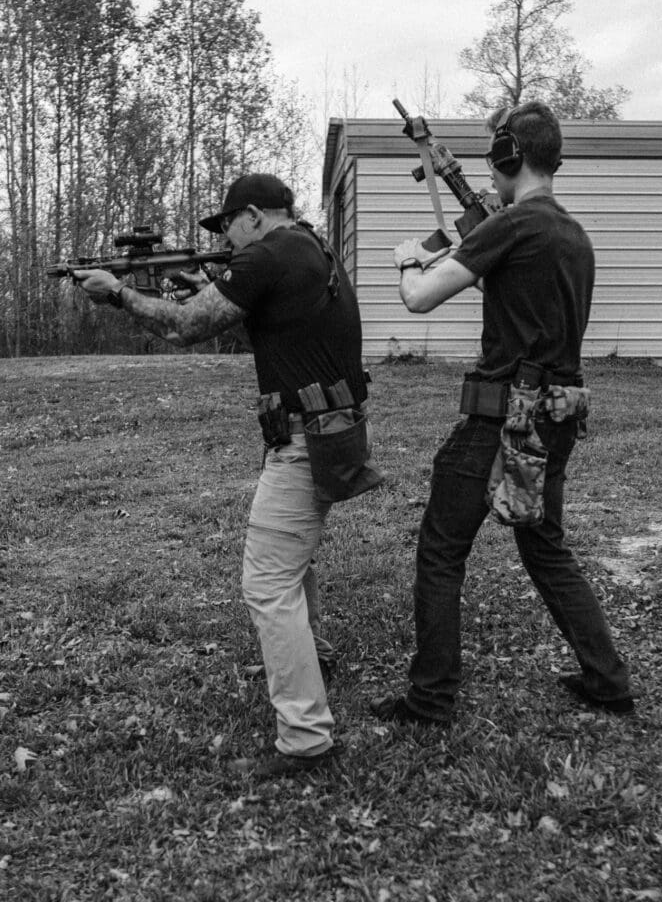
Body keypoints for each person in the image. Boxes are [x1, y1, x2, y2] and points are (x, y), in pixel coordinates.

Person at [74, 172, 373, 777]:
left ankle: (306, 737)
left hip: (302, 438)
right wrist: (210, 285)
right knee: (293, 564)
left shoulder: (267, 255)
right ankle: (311, 657)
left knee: (267, 584)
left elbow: (183, 328)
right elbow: (274, 315)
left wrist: (115, 294)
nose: (227, 239)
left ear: (256, 216)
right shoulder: (310, 246)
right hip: (329, 429)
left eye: (229, 226)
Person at [371, 101, 633, 727]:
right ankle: (608, 679)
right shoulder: (573, 235)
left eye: (495, 151)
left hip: (500, 420)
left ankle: (431, 698)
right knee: (545, 548)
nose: (490, 165)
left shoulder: (514, 227)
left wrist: (409, 256)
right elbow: (517, 292)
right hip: (557, 417)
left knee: (440, 550)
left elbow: (419, 299)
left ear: (509, 154)